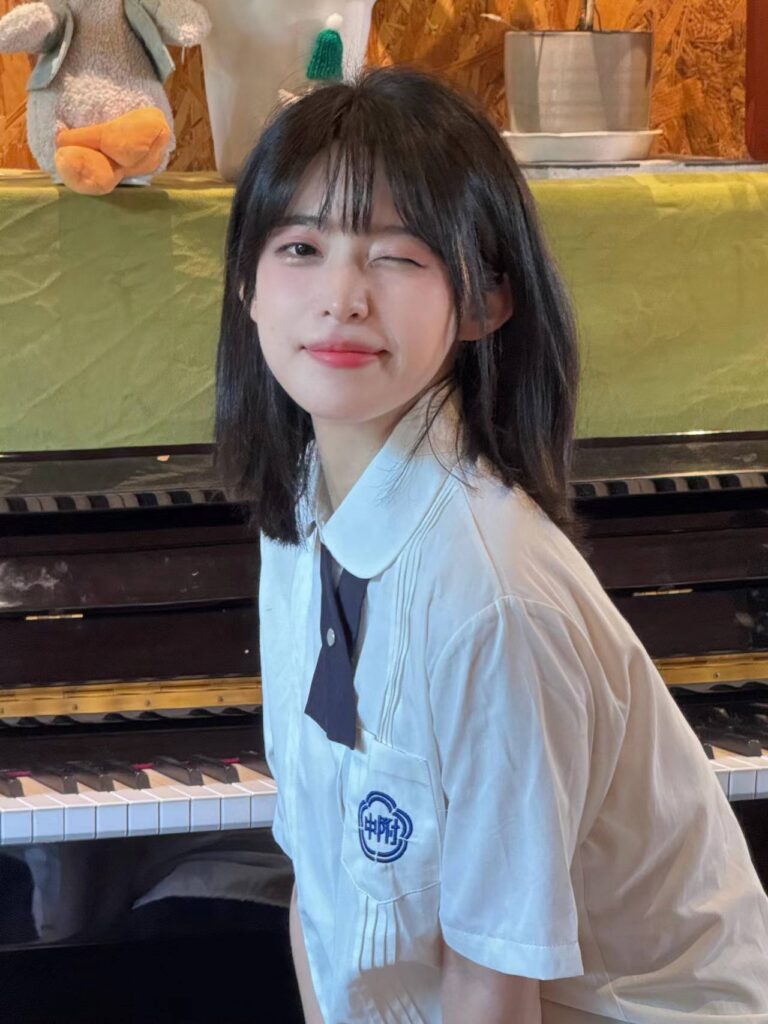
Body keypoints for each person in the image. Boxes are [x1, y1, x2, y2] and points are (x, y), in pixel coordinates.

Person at [213, 66, 768, 1024]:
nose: (342, 297)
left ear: (485, 301)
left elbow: (493, 984)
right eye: (301, 247)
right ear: (246, 286)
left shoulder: (490, 595)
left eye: (397, 257)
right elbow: (322, 888)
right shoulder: (304, 509)